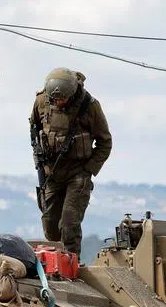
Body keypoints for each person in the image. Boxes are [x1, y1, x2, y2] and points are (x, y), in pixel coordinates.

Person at [30, 67, 112, 257]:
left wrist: (88, 169)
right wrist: (40, 160)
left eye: (63, 99)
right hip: (51, 171)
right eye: (55, 99)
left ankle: (71, 263)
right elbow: (34, 128)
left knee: (69, 223)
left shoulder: (89, 106)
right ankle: (53, 264)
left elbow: (105, 142)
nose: (59, 102)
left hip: (77, 172)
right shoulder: (41, 101)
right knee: (50, 224)